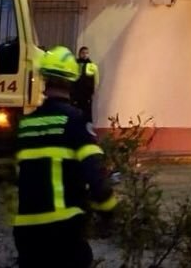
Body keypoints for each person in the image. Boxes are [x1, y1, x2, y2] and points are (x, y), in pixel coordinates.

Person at [13, 45, 117, 268]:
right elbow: (95, 174)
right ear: (72, 82)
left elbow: (10, 181)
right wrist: (109, 212)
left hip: (26, 233)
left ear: (44, 81)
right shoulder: (76, 121)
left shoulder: (25, 125)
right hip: (63, 230)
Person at [71, 45, 100, 122]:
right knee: (74, 111)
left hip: (86, 94)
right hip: (75, 93)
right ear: (79, 54)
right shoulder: (74, 64)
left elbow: (96, 80)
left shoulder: (92, 66)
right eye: (83, 53)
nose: (85, 55)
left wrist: (93, 91)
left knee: (86, 112)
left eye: (87, 53)